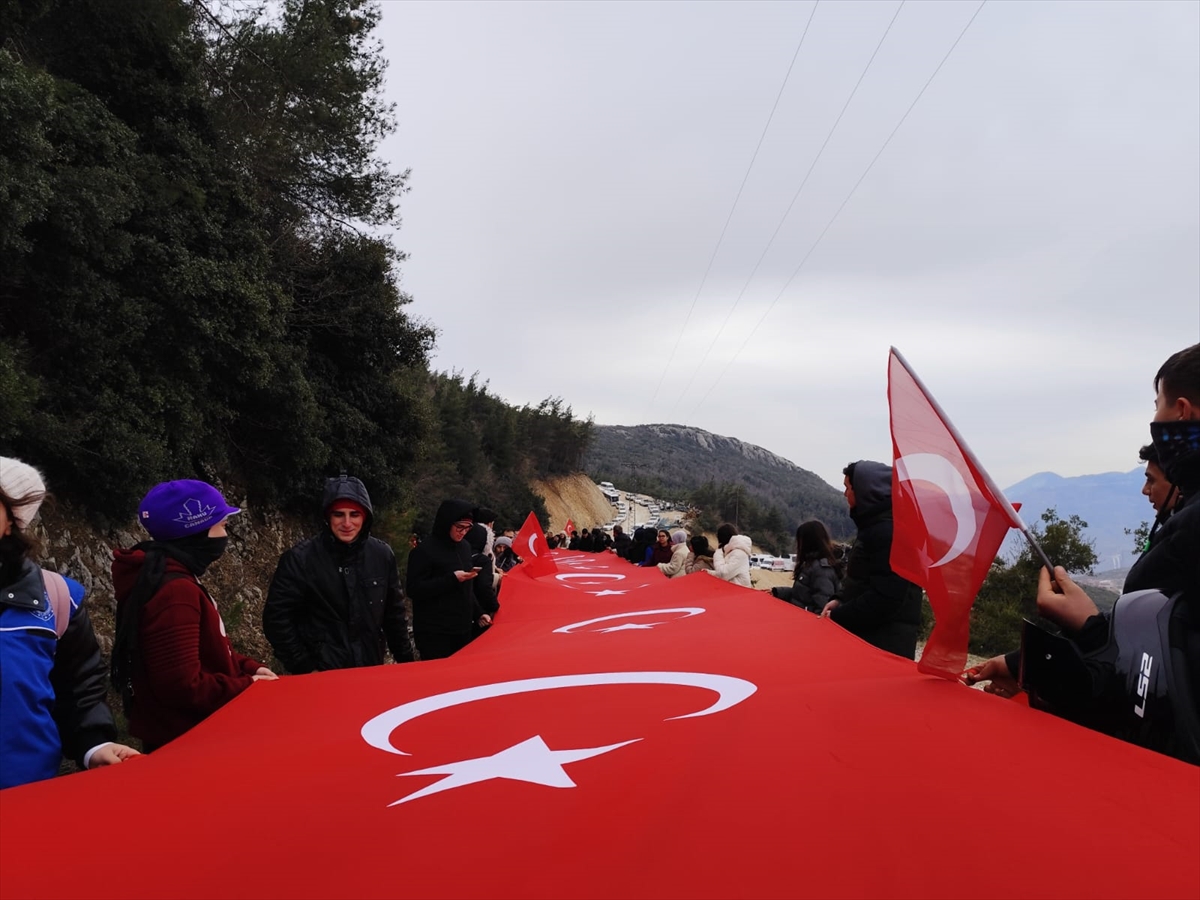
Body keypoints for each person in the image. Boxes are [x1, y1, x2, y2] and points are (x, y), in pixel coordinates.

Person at [969, 344, 1200, 704]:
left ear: (1182, 412)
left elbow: (1161, 680)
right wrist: (1020, 662)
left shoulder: (1190, 531)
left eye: (1158, 406)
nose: (1145, 490)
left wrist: (1088, 629)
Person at [0, 458, 139, 789]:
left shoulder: (58, 598)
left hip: (27, 797)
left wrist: (94, 745)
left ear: (12, 521)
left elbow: (78, 689)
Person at [111, 480, 276, 752]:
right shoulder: (175, 592)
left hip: (186, 734)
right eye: (221, 525)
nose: (225, 534)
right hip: (188, 743)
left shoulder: (164, 574)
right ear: (197, 531)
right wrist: (247, 686)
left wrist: (248, 667)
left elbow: (203, 650)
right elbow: (181, 685)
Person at [263, 474, 414, 675]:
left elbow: (394, 615)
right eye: (338, 514)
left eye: (354, 514)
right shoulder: (300, 559)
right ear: (327, 516)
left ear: (365, 517)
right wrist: (304, 666)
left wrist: (408, 665)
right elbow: (277, 619)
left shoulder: (382, 555)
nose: (347, 523)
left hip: (370, 669)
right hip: (321, 674)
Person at [820, 461, 923, 659]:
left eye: (848, 487)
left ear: (866, 491)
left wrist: (840, 616)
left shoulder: (888, 532)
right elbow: (864, 578)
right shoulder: (876, 527)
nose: (845, 494)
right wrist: (840, 599)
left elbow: (886, 598)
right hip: (873, 637)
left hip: (883, 644)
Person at [407, 500, 490, 660]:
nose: (463, 532)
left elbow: (466, 588)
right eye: (459, 527)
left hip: (462, 629)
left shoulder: (465, 547)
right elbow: (414, 589)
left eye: (468, 528)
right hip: (435, 632)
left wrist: (479, 613)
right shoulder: (424, 551)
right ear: (447, 523)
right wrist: (451, 579)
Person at [773, 520, 842, 614]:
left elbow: (823, 607)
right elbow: (802, 595)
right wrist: (777, 592)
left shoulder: (821, 570)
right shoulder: (810, 565)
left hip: (808, 624)